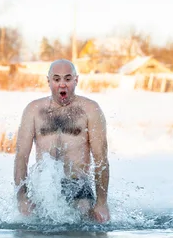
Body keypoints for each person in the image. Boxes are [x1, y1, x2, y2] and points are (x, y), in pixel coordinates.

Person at [13, 59, 110, 223]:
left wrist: (102, 203)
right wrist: (22, 198)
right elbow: (21, 156)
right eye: (57, 79)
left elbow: (101, 159)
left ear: (76, 80)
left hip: (78, 187)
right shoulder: (34, 110)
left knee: (82, 223)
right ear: (49, 81)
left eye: (67, 79)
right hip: (45, 187)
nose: (62, 84)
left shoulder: (90, 110)